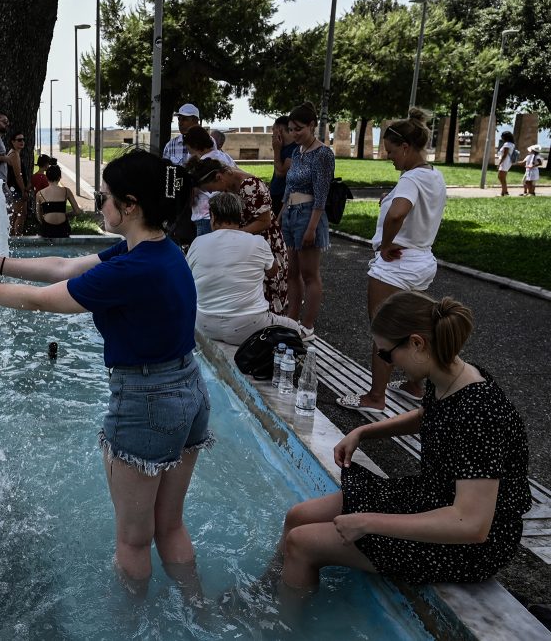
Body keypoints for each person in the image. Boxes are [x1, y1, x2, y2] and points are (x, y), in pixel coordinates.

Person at [0, 150, 212, 596]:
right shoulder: (157, 251)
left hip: (148, 402)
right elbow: (62, 268)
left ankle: (132, 626)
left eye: (105, 197)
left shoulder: (131, 271)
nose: (99, 204)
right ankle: (198, 609)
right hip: (189, 391)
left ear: (131, 205)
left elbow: (40, 301)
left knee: (132, 541)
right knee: (170, 527)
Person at [278, 291, 531, 596]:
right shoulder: (451, 376)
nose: (388, 363)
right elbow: (431, 415)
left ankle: (283, 623)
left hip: (471, 543)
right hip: (434, 497)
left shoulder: (480, 412)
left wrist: (369, 522)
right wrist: (364, 432)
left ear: (416, 343)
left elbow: (471, 524)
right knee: (297, 517)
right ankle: (269, 590)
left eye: (386, 354)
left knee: (302, 543)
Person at [336, 109, 447, 413]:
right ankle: (415, 385)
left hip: (396, 265)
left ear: (407, 147)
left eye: (391, 151)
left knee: (383, 331)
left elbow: (399, 213)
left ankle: (375, 397)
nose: (389, 157)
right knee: (413, 331)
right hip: (422, 260)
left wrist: (384, 245)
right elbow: (409, 209)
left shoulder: (411, 178)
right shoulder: (434, 175)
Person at [187, 192, 301, 344]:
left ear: (213, 217)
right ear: (240, 216)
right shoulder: (257, 242)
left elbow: (188, 276)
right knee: (295, 329)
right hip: (249, 324)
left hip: (205, 323)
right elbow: (273, 271)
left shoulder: (197, 243)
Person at [189, 157, 290, 315]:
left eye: (211, 188)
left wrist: (232, 235)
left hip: (266, 244)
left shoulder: (250, 186)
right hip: (246, 243)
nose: (213, 192)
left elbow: (265, 222)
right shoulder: (230, 185)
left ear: (218, 177)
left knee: (268, 292)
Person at [282, 102, 333, 341]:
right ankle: (292, 319)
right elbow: (288, 186)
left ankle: (308, 325)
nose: (294, 134)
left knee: (310, 273)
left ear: (312, 125)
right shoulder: (296, 152)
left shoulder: (323, 154)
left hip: (308, 214)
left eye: (298, 129)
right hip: (291, 214)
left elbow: (321, 195)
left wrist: (312, 227)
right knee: (291, 272)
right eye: (291, 129)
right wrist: (280, 215)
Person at [182, 126, 226, 238]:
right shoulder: (224, 156)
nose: (190, 153)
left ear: (196, 146)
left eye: (189, 149)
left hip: (205, 217)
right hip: (223, 214)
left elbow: (193, 193)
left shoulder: (202, 164)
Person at [35, 164, 82, 238]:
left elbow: (38, 216)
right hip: (63, 228)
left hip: (47, 229)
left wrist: (44, 222)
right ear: (59, 177)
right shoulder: (66, 191)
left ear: (46, 177)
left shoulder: (39, 193)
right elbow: (77, 211)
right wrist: (66, 214)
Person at [269, 116, 298, 217]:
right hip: (275, 195)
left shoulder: (295, 149)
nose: (272, 133)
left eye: (273, 130)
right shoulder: (283, 147)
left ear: (279, 130)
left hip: (283, 197)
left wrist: (276, 150)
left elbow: (280, 173)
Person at [5, 131, 29, 235]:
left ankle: (13, 237)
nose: (22, 142)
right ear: (13, 142)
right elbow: (17, 175)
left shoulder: (15, 153)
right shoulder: (14, 154)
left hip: (14, 189)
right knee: (20, 214)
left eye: (23, 139)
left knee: (16, 214)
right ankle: (16, 237)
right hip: (16, 189)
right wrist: (24, 190)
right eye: (19, 140)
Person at [495, 131, 515, 196]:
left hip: (505, 161)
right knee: (501, 177)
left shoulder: (507, 144)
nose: (501, 137)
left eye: (502, 135)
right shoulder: (511, 144)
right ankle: (505, 192)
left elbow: (505, 154)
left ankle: (503, 193)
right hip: (508, 161)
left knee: (501, 177)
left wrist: (499, 163)